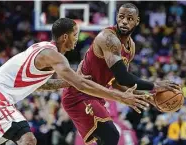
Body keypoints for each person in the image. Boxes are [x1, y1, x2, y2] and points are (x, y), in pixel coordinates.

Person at [0, 18, 148, 145]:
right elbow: (82, 85)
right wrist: (120, 97)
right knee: (28, 139)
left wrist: (67, 83)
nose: (77, 39)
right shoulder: (54, 56)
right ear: (65, 37)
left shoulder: (44, 50)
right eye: (75, 35)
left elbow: (42, 84)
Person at [61, 3, 180, 145]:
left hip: (96, 94)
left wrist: (146, 97)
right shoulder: (108, 38)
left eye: (130, 18)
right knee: (110, 135)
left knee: (107, 138)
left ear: (137, 21)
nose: (124, 21)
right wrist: (155, 85)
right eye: (121, 17)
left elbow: (117, 82)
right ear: (117, 17)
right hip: (78, 93)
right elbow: (124, 78)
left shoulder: (131, 46)